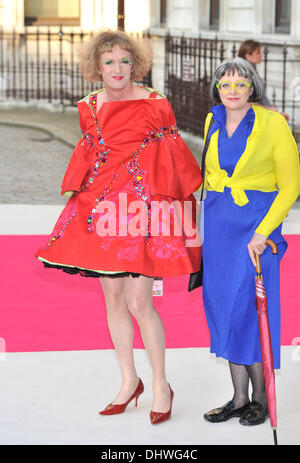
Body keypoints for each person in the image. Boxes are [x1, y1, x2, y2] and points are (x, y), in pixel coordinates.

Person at [34, 30, 202, 424]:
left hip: (141, 214)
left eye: (125, 61)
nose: (118, 69)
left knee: (140, 302)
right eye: (109, 61)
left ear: (136, 64)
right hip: (104, 215)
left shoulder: (156, 103)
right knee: (112, 300)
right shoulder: (88, 106)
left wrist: (173, 219)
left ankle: (161, 384)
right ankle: (130, 380)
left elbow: (171, 163)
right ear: (97, 66)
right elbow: (90, 160)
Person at [201, 57, 300, 426]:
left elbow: (291, 185)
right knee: (225, 307)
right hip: (219, 227)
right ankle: (239, 397)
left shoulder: (273, 123)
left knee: (251, 309)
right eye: (225, 84)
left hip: (256, 228)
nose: (232, 91)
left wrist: (264, 232)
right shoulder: (212, 120)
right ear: (217, 88)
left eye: (240, 84)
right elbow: (210, 175)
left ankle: (260, 396)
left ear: (252, 88)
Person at [238, 39, 289, 120]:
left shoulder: (251, 70)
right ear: (248, 56)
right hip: (252, 118)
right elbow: (249, 103)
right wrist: (276, 111)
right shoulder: (246, 74)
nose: (261, 55)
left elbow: (262, 99)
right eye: (258, 53)